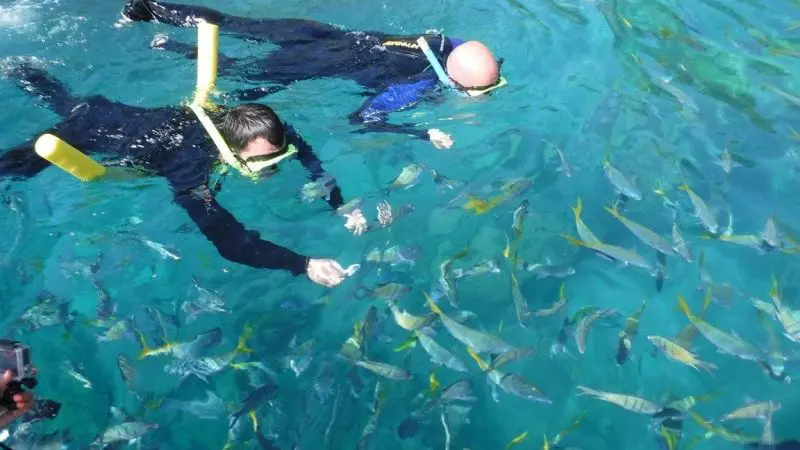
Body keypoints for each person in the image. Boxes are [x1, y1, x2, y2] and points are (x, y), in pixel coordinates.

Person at [0, 62, 364, 288]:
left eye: (279, 156)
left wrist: (341, 205)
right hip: (87, 135)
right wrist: (303, 264)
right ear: (232, 150)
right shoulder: (188, 169)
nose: (277, 165)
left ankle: (19, 69)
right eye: (268, 164)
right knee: (13, 168)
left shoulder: (264, 131)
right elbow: (232, 245)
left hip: (105, 109)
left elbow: (308, 158)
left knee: (67, 100)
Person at [120, 0, 505, 149]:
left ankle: (147, 8)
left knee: (237, 24)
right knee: (241, 74)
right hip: (316, 61)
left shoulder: (445, 42)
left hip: (320, 33)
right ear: (454, 82)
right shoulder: (415, 87)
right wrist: (423, 132)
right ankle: (168, 47)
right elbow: (362, 118)